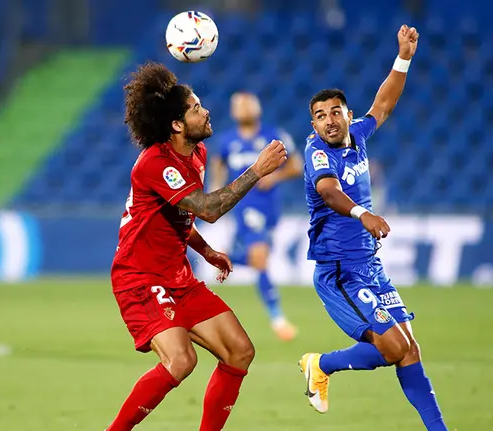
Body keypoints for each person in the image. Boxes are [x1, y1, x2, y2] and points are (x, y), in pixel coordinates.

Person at [107, 62, 287, 431]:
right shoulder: (155, 163)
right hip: (140, 279)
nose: (205, 111)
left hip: (177, 277)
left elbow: (181, 217)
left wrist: (205, 251)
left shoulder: (198, 155)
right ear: (176, 125)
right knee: (181, 361)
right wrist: (257, 169)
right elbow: (208, 209)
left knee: (240, 351)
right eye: (195, 108)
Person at [297, 26, 448, 430]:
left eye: (334, 112)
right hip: (339, 272)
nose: (328, 121)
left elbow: (384, 103)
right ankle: (321, 364)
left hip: (369, 265)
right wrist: (364, 215)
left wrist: (404, 58)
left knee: (410, 349)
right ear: (313, 126)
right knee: (394, 345)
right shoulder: (315, 153)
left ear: (348, 115)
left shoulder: (359, 136)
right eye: (319, 116)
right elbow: (329, 192)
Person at [210, 92, 302, 341]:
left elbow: (296, 165)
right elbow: (218, 170)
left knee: (256, 259)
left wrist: (276, 176)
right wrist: (216, 198)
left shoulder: (274, 136)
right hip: (245, 208)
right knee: (260, 258)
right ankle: (278, 319)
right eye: (237, 105)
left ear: (257, 108)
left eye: (247, 103)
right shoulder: (226, 141)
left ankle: (224, 259)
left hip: (270, 209)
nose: (242, 107)